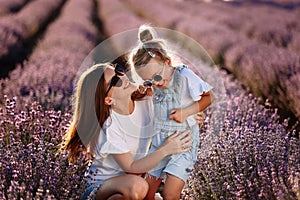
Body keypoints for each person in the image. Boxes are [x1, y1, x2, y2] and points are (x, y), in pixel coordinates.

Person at [61, 63, 193, 200]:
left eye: (119, 71)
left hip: (131, 184)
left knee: (143, 190)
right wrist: (166, 149)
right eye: (115, 80)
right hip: (100, 188)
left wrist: (187, 111)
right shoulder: (110, 126)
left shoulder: (146, 102)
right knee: (138, 186)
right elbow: (131, 167)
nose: (123, 77)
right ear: (108, 100)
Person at [129, 24, 213, 200]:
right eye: (149, 81)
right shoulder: (157, 83)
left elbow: (208, 97)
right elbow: (154, 96)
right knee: (146, 192)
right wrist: (144, 90)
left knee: (170, 193)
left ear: (168, 62)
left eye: (157, 77)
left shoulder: (184, 76)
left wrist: (187, 112)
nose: (156, 83)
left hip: (183, 144)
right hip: (159, 143)